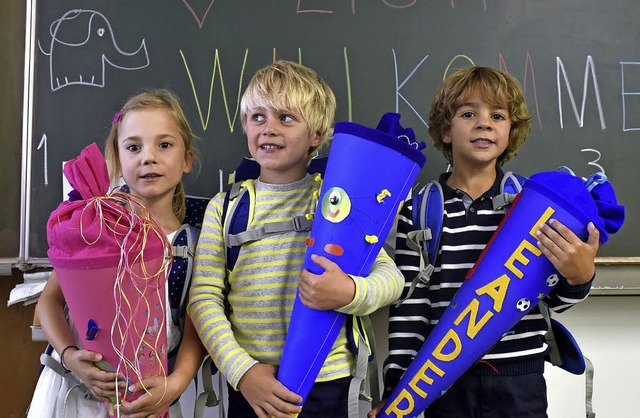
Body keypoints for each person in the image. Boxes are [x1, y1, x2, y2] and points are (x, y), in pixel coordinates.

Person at [369, 66, 600, 418]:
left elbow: (550, 296)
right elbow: (409, 311)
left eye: (497, 115)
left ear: (511, 131)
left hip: (519, 378)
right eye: (468, 113)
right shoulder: (418, 210)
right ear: (446, 130)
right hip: (438, 384)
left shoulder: (532, 207)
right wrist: (399, 390)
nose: (484, 123)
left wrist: (580, 277)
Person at [187, 60, 404, 418]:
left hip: (330, 382)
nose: (269, 129)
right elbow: (204, 299)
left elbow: (391, 279)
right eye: (258, 117)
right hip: (253, 384)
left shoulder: (337, 200)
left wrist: (350, 292)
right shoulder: (225, 207)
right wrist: (242, 371)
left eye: (286, 118)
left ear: (317, 135)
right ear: (245, 126)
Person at [30, 89, 207, 418]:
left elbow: (197, 323)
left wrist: (177, 382)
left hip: (151, 398)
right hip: (78, 394)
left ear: (186, 160)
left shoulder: (196, 241)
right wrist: (69, 355)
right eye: (133, 147)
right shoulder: (93, 228)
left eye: (164, 145)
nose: (148, 157)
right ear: (117, 159)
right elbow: (50, 301)